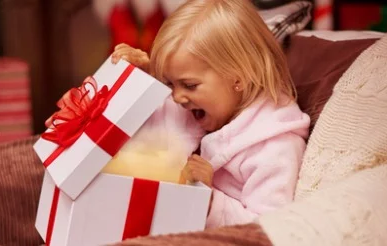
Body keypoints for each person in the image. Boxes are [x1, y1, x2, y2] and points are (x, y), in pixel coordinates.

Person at [110, 0, 310, 227]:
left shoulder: (273, 147)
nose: (177, 97)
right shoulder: (191, 107)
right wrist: (138, 83)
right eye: (170, 84)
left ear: (238, 78)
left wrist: (209, 200)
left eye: (189, 85)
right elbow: (142, 136)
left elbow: (269, 228)